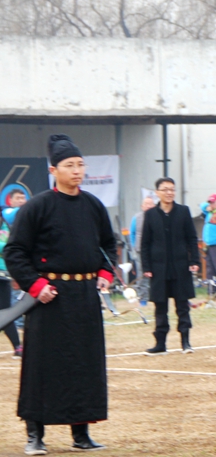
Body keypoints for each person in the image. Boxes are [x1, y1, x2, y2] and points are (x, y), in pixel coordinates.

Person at [5, 134, 115, 453]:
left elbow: (108, 245)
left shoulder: (94, 206)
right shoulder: (37, 206)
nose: (77, 171)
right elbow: (14, 252)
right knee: (43, 366)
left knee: (83, 364)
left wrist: (106, 274)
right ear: (54, 170)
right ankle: (35, 435)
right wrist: (36, 286)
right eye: (70, 165)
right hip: (48, 298)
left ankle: (81, 434)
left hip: (84, 296)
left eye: (81, 165)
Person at [142, 177, 201, 355]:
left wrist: (194, 261)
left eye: (172, 189)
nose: (169, 193)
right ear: (157, 192)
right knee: (160, 306)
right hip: (158, 268)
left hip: (180, 266)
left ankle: (186, 342)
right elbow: (145, 243)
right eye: (165, 189)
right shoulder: (151, 214)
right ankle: (160, 343)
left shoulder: (183, 211)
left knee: (182, 305)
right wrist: (146, 267)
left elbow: (192, 238)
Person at [0, 188, 25, 358]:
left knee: (5, 311)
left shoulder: (6, 224)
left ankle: (18, 346)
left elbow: (10, 247)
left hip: (3, 274)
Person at [129, 196, 156, 305]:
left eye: (151, 204)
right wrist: (134, 247)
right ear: (142, 206)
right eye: (146, 204)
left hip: (155, 251)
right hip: (141, 251)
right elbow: (132, 233)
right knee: (143, 274)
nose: (149, 206)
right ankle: (143, 299)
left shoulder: (157, 218)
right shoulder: (137, 218)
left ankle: (154, 297)